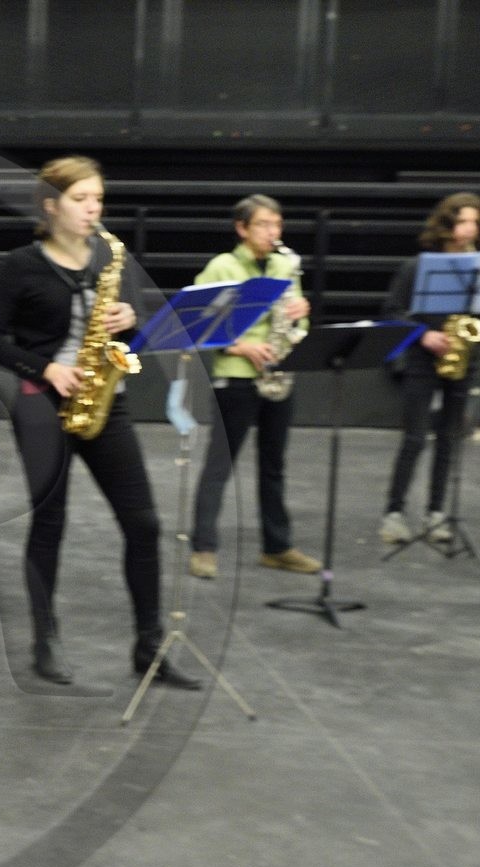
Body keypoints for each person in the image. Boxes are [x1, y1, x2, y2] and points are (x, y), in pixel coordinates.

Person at [0, 155, 199, 691]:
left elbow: (127, 335)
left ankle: (149, 646)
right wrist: (45, 366)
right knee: (50, 523)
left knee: (143, 523)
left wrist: (132, 320)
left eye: (97, 198)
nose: (93, 208)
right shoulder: (22, 264)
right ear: (51, 206)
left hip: (103, 400)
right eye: (81, 199)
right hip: (40, 405)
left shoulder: (108, 257)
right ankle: (44, 638)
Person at [187, 195, 321, 580]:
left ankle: (277, 547)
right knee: (220, 463)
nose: (272, 233)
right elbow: (197, 323)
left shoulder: (285, 265)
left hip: (279, 372)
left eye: (277, 225)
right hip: (238, 375)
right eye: (263, 225)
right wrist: (240, 345)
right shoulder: (223, 266)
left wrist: (300, 318)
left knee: (274, 465)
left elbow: (297, 326)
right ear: (242, 228)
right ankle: (204, 547)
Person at [378, 192, 480, 545]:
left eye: (475, 222)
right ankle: (394, 513)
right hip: (422, 360)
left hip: (463, 360)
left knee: (448, 439)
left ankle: (436, 512)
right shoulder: (419, 266)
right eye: (463, 221)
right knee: (415, 438)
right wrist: (423, 334)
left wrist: (475, 331)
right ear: (446, 225)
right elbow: (391, 311)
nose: (470, 229)